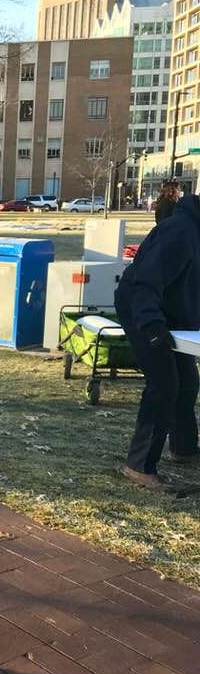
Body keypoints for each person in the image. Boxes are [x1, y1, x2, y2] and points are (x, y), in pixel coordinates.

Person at [116, 187, 200, 491]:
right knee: (165, 384)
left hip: (174, 316)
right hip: (142, 310)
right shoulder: (179, 232)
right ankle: (139, 465)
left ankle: (184, 449)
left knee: (188, 381)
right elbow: (145, 281)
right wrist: (151, 325)